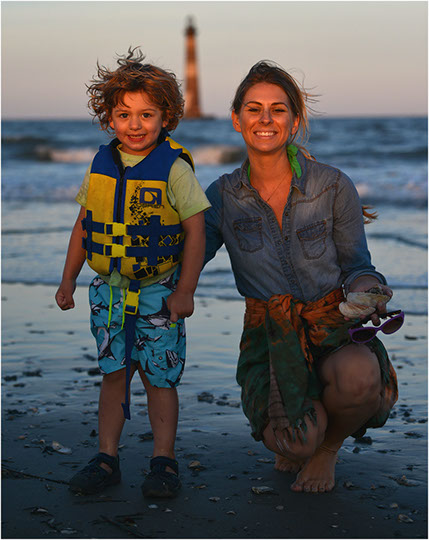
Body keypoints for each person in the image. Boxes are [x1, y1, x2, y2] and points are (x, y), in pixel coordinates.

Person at [204, 61, 398, 493]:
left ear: (294, 121)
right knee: (295, 442)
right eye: (254, 109)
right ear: (237, 120)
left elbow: (358, 266)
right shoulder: (221, 197)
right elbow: (186, 261)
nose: (266, 119)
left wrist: (369, 290)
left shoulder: (332, 185)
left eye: (278, 109)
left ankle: (326, 450)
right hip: (270, 336)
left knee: (361, 381)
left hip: (331, 325)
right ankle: (302, 440)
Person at [55, 48, 210, 498]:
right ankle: (107, 457)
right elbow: (84, 227)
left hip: (160, 292)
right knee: (113, 373)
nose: (136, 125)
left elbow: (195, 232)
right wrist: (68, 279)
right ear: (109, 119)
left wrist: (186, 290)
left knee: (159, 377)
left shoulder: (175, 169)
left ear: (167, 118)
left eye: (147, 114)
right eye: (125, 114)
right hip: (107, 291)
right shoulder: (102, 164)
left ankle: (164, 462)